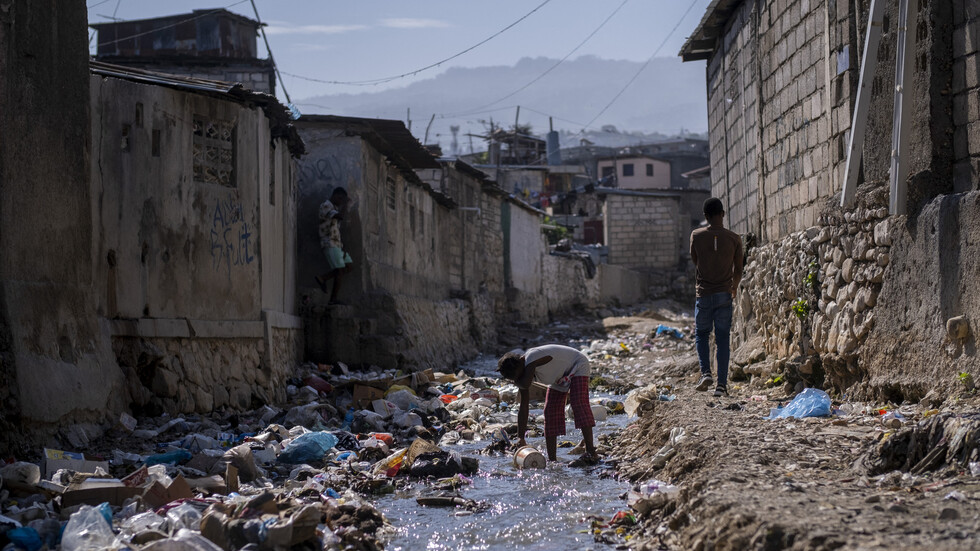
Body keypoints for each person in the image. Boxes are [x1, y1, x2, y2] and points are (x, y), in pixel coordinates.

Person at [497, 344, 597, 463]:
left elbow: (526, 380)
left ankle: (591, 452)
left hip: (577, 365)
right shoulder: (523, 377)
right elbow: (523, 407)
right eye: (516, 378)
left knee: (578, 404)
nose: (519, 379)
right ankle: (552, 460)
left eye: (518, 376)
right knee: (550, 412)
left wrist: (520, 381)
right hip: (559, 377)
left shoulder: (532, 358)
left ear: (522, 362)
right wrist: (521, 437)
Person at [690, 197, 743, 397]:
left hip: (703, 294)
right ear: (723, 214)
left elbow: (696, 260)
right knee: (722, 339)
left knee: (702, 334)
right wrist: (734, 287)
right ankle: (721, 385)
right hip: (724, 294)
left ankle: (705, 373)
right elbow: (738, 268)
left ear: (705, 216)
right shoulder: (734, 238)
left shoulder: (696, 235)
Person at [315, 187, 352, 304]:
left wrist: (342, 247)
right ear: (336, 196)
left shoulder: (335, 208)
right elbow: (340, 216)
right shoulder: (326, 206)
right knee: (340, 270)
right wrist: (346, 204)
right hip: (329, 243)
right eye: (341, 200)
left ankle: (323, 278)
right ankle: (333, 299)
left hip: (337, 244)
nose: (341, 203)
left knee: (349, 266)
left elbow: (337, 228)